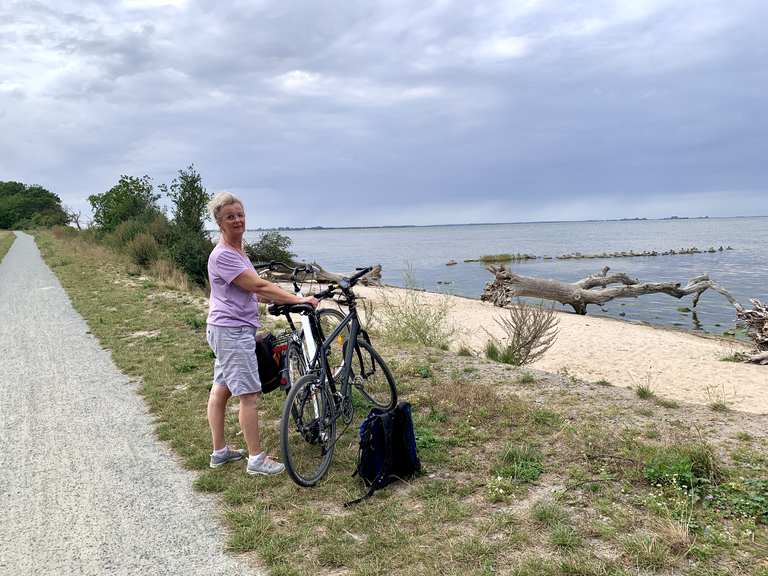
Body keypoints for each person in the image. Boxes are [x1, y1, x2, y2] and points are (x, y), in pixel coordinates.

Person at [205, 191, 318, 476]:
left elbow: (250, 291)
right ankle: (256, 459)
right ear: (219, 222)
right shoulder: (224, 256)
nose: (237, 220)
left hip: (226, 328)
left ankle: (219, 452)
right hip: (231, 332)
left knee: (222, 388)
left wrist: (271, 301)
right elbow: (258, 285)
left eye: (240, 214)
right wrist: (297, 300)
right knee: (249, 395)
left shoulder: (237, 251)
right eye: (230, 216)